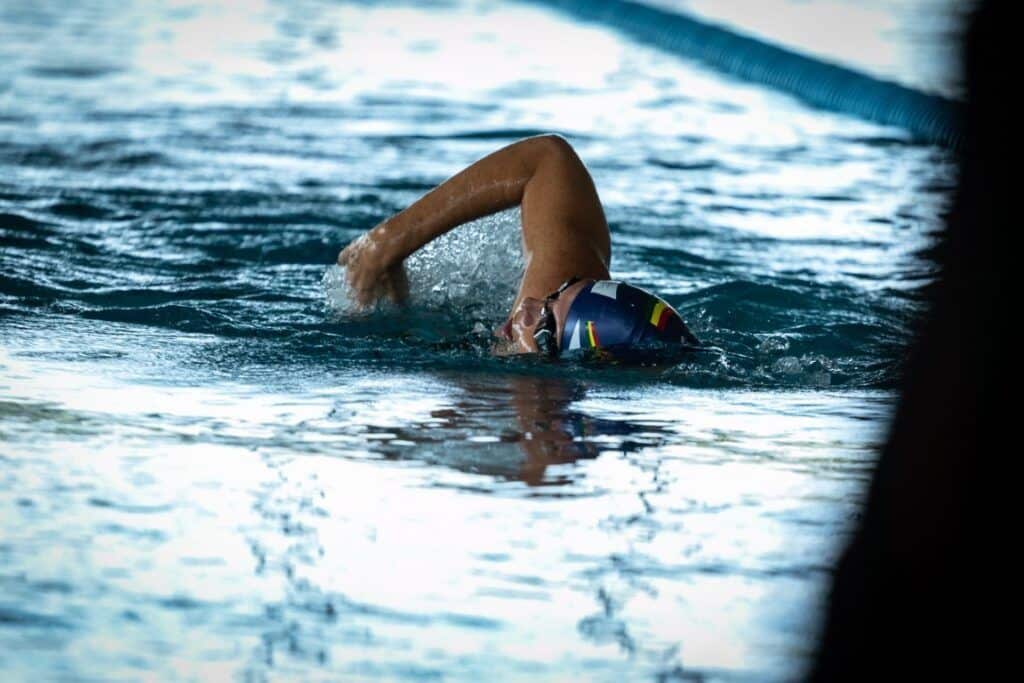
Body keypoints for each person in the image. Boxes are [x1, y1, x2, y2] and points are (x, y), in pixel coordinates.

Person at [338, 135, 699, 358]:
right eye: (554, 295)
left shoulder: (539, 435)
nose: (527, 306)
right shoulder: (559, 313)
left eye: (543, 326)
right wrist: (388, 243)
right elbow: (550, 158)